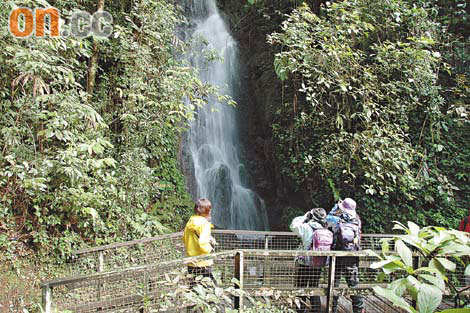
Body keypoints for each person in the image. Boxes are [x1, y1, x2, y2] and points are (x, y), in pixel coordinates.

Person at [290, 208, 332, 313]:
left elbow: (293, 225)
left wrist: (305, 216)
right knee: (314, 285)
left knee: (301, 286)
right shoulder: (326, 230)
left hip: (305, 262)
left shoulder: (306, 227)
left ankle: (301, 310)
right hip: (318, 262)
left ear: (312, 217)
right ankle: (316, 310)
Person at [327, 198, 365, 313]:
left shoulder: (337, 219)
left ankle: (332, 310)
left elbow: (326, 218)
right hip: (352, 255)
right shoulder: (357, 220)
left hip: (337, 256)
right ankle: (358, 309)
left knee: (334, 284)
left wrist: (335, 208)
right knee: (353, 284)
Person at [183, 198, 217, 285]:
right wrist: (210, 249)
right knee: (209, 289)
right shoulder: (205, 224)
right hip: (203, 263)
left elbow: (184, 238)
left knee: (194, 288)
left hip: (191, 262)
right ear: (208, 211)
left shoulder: (189, 223)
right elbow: (202, 243)